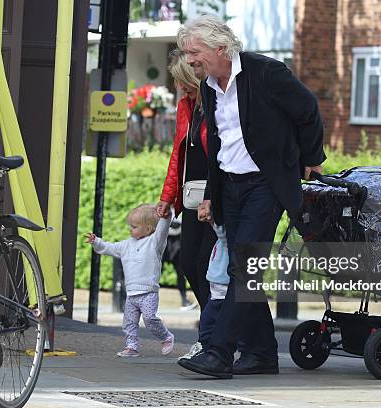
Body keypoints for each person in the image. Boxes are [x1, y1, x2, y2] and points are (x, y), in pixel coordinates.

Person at [176, 15, 326, 379]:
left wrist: (311, 159)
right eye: (186, 52)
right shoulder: (209, 86)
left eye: (194, 51)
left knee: (246, 266)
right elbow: (219, 145)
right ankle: (260, 354)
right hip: (230, 185)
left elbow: (308, 111)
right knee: (240, 268)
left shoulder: (265, 72)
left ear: (220, 47)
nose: (189, 59)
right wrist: (211, 194)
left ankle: (219, 352)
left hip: (266, 184)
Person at [157, 49, 216, 310]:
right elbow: (177, 154)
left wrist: (214, 197)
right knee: (189, 262)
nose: (184, 95)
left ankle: (215, 330)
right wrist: (167, 197)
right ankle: (213, 323)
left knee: (207, 262)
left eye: (188, 90)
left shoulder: (217, 107)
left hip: (215, 195)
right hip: (192, 196)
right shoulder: (186, 107)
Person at [86, 204, 175, 357]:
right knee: (129, 322)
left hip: (148, 292)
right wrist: (97, 242)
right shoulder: (126, 245)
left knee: (150, 319)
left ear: (148, 229)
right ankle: (131, 347)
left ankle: (166, 337)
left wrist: (166, 217)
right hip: (131, 294)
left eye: (134, 226)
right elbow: (109, 247)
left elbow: (162, 230)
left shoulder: (155, 243)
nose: (130, 229)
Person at [179, 217, 229, 361]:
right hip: (215, 291)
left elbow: (221, 231)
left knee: (209, 324)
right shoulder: (220, 243)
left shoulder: (225, 240)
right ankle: (204, 348)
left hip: (221, 292)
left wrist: (212, 220)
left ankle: (206, 349)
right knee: (207, 323)